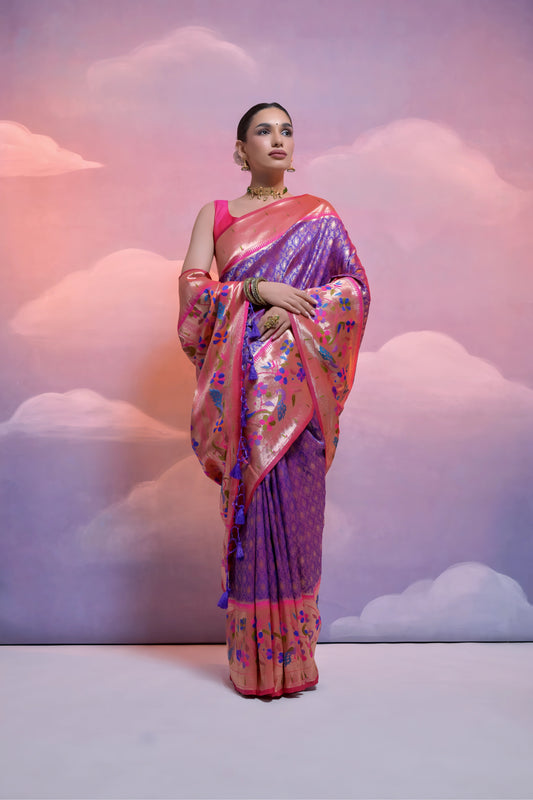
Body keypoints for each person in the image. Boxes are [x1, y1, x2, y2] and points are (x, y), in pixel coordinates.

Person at [178, 102, 370, 698]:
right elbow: (193, 295)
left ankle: (294, 664)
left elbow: (355, 290)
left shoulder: (320, 215)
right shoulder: (215, 215)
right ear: (242, 149)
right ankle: (253, 668)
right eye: (264, 130)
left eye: (286, 130)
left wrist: (301, 315)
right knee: (252, 520)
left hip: (299, 395)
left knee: (297, 520)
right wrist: (258, 291)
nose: (278, 139)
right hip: (244, 397)